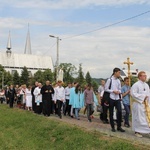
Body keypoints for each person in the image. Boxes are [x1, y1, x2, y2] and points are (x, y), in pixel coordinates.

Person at [105, 68, 125, 132]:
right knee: (111, 113)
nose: (119, 74)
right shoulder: (109, 80)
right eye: (119, 72)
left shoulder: (118, 81)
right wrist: (113, 91)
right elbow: (106, 89)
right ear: (115, 72)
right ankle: (112, 126)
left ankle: (119, 126)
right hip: (111, 97)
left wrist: (118, 91)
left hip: (117, 98)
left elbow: (120, 89)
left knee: (119, 111)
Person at [131, 71, 150, 138]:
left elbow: (148, 95)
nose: (145, 77)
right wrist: (143, 97)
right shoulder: (136, 85)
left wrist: (148, 102)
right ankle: (137, 131)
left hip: (145, 105)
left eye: (145, 75)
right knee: (138, 118)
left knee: (146, 118)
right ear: (139, 77)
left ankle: (146, 131)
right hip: (138, 104)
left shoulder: (146, 85)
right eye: (143, 75)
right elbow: (133, 94)